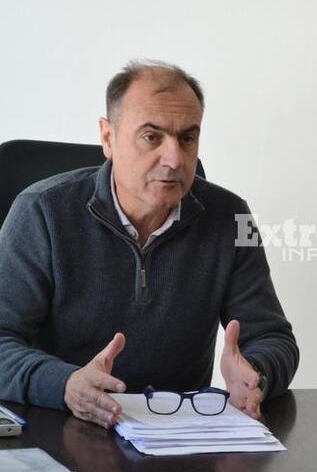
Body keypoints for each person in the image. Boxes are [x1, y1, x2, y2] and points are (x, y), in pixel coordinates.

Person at [0, 60, 299, 429]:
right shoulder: (41, 211)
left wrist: (258, 373)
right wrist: (65, 383)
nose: (174, 159)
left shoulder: (231, 216)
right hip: (58, 428)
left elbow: (273, 337)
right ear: (108, 138)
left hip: (178, 438)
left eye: (188, 138)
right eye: (151, 137)